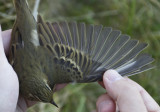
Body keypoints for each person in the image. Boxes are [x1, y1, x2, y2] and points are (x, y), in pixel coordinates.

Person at [0, 26, 159, 112]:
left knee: (86, 71)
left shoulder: (15, 86)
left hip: (28, 36)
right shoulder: (15, 85)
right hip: (24, 38)